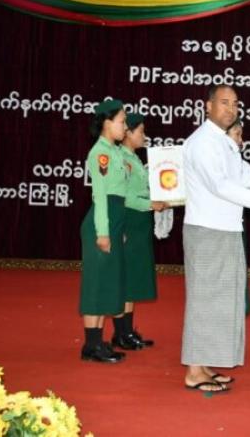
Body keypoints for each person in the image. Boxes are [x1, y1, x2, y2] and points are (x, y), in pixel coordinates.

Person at [181, 85, 250, 393]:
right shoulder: (202, 142)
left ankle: (203, 364)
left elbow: (243, 179)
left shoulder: (224, 142)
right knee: (204, 300)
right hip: (207, 230)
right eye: (224, 103)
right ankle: (193, 371)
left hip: (225, 228)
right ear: (208, 106)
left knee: (218, 300)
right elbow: (219, 186)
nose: (231, 109)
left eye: (235, 104)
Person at [111, 112, 169, 351]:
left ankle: (127, 332)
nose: (144, 136)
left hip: (139, 222)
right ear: (128, 133)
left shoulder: (134, 158)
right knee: (125, 280)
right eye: (141, 131)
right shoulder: (120, 159)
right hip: (129, 220)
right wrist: (151, 204)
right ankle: (120, 334)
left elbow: (141, 190)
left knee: (133, 280)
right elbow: (124, 196)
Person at [79, 99, 129, 363]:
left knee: (105, 283)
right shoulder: (100, 153)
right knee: (96, 285)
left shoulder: (116, 152)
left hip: (113, 223)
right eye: (122, 121)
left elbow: (120, 196)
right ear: (107, 123)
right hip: (101, 224)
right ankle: (91, 346)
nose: (125, 127)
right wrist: (103, 232)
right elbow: (100, 196)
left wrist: (118, 230)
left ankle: (97, 342)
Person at [225, 118, 250, 316]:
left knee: (237, 275)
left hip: (236, 227)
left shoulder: (244, 165)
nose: (241, 141)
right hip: (214, 230)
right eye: (237, 134)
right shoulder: (212, 162)